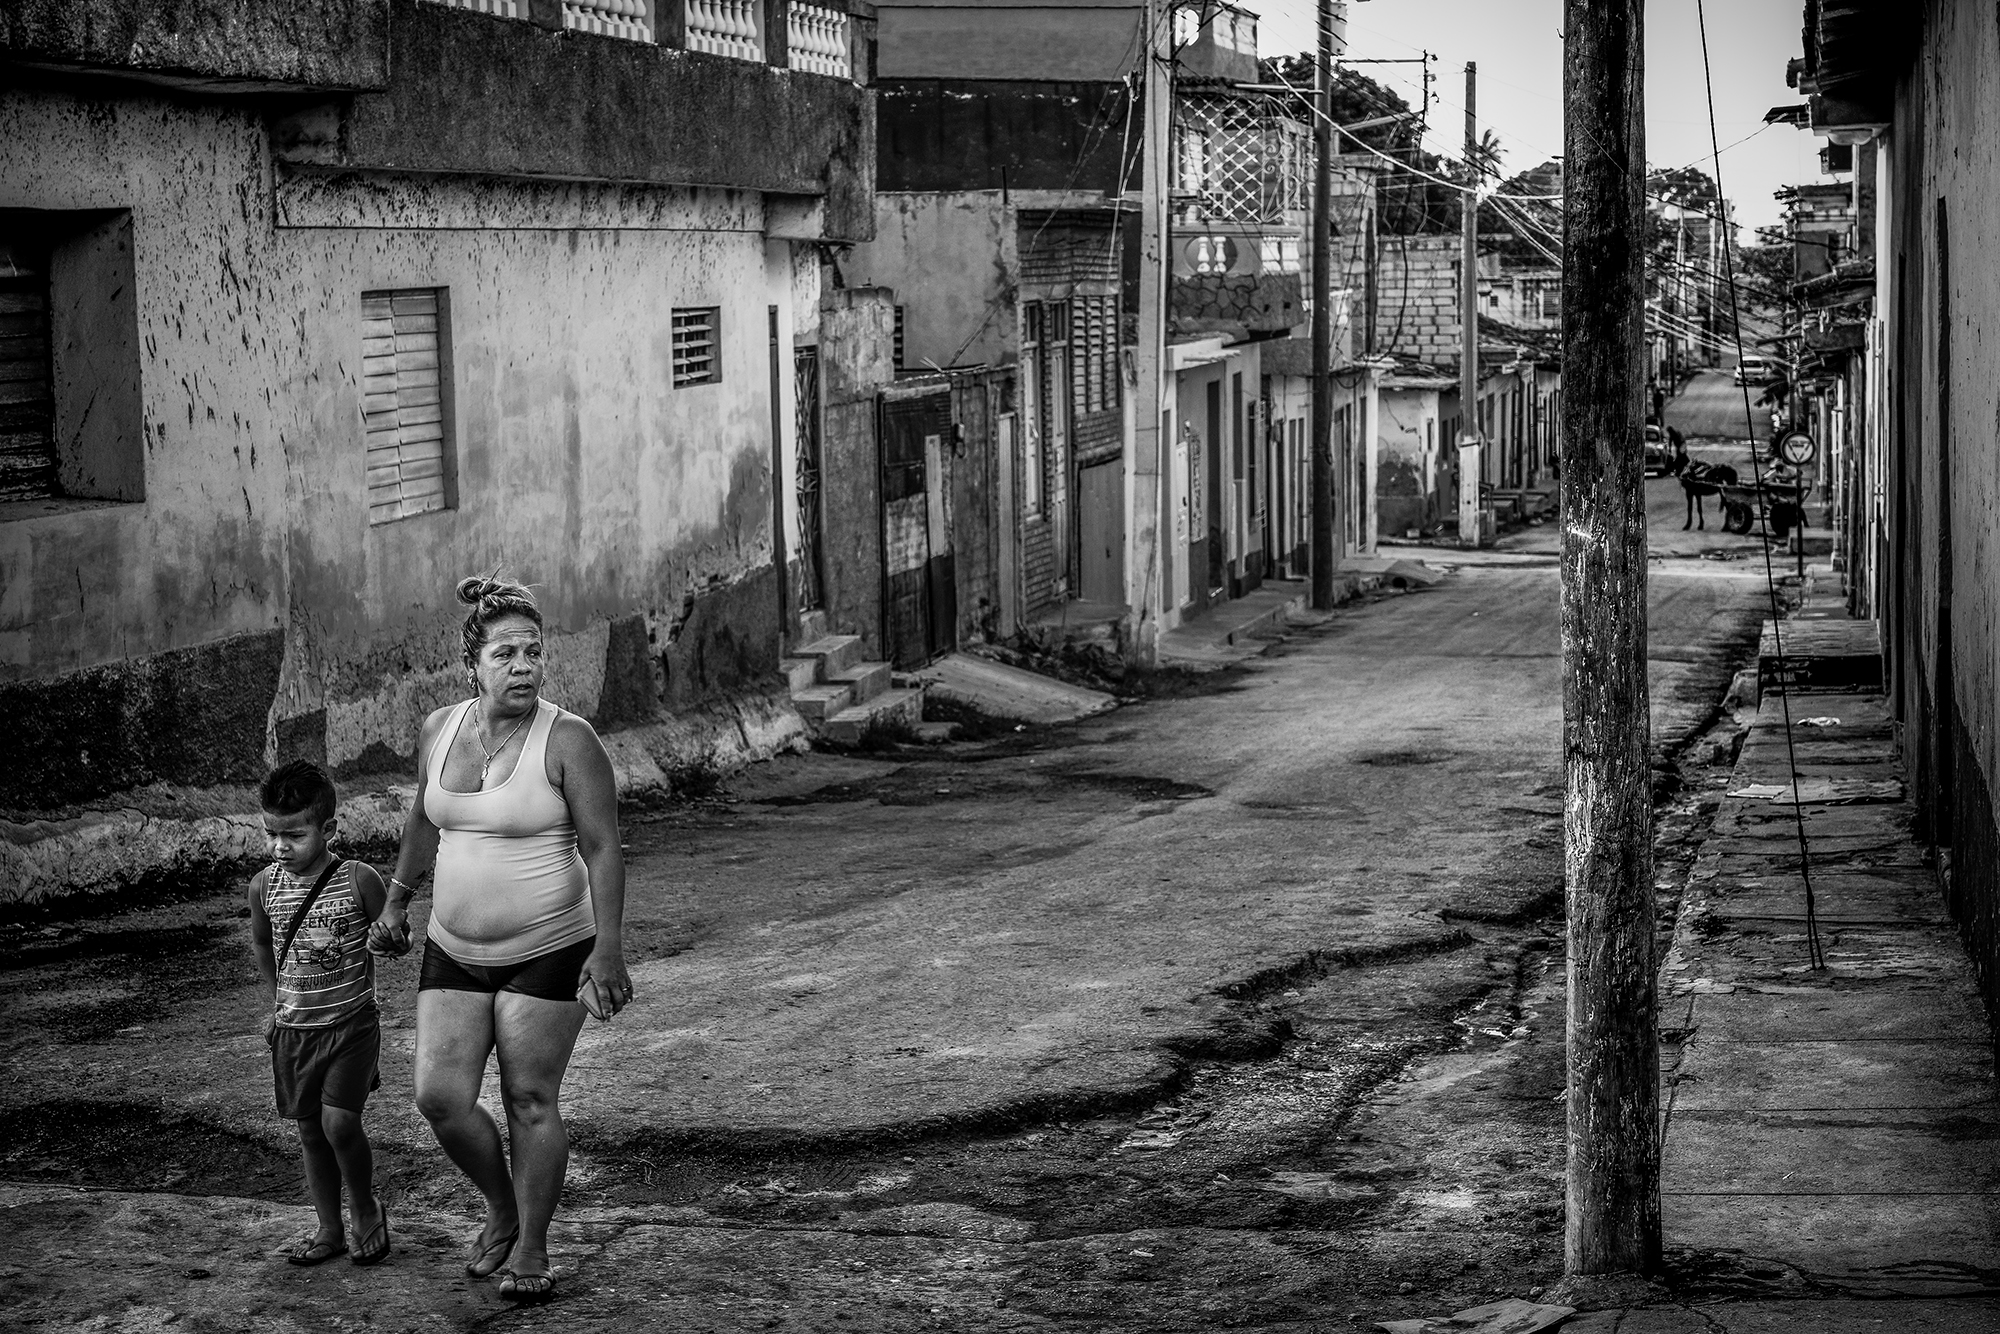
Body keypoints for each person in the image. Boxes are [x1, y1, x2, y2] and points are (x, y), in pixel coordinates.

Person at [369, 574, 631, 1305]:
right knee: (439, 1097)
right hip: (452, 946)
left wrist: (608, 948)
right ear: (472, 664)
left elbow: (603, 847)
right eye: (505, 654)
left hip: (552, 944)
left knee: (530, 1097)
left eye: (533, 652)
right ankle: (504, 1208)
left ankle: (534, 1247)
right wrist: (396, 902)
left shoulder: (569, 739)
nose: (523, 667)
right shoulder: (439, 729)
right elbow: (424, 820)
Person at [248, 760, 393, 1268]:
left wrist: (392, 939)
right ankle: (329, 1228)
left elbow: (393, 933)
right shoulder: (263, 886)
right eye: (271, 834)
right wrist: (277, 1000)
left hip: (351, 1025)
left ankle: (365, 1207)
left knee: (340, 1124)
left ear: (328, 829)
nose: (280, 847)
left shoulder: (359, 879)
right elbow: (263, 944)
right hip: (294, 1030)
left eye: (294, 835)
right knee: (311, 1131)